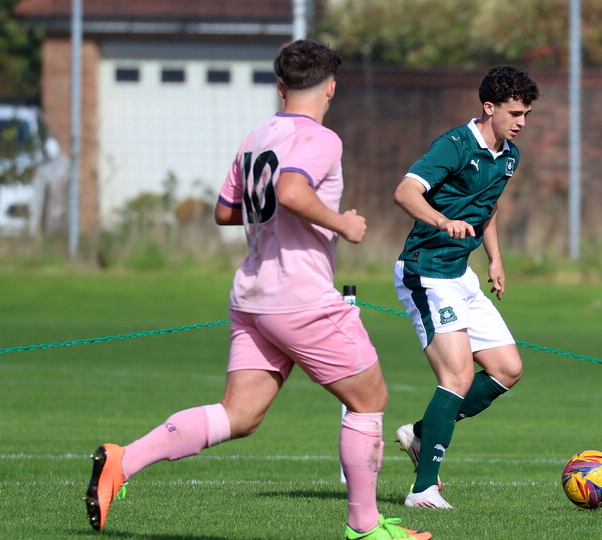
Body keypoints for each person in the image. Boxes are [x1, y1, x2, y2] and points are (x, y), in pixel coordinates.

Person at [83, 40, 431, 540]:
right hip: (300, 296)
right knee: (369, 398)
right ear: (331, 86)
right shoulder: (322, 139)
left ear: (280, 86)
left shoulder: (257, 136)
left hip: (252, 295)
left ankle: (122, 461)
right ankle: (365, 527)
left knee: (239, 414)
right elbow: (290, 191)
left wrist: (272, 209)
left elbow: (225, 211)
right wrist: (342, 223)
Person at [391, 65, 539, 509]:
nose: (521, 122)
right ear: (488, 108)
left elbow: (486, 207)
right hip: (426, 271)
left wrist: (494, 257)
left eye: (527, 113)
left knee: (507, 370)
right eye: (514, 112)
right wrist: (441, 220)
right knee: (456, 376)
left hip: (461, 275)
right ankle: (423, 490)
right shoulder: (454, 146)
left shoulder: (509, 155)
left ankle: (420, 434)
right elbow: (404, 192)